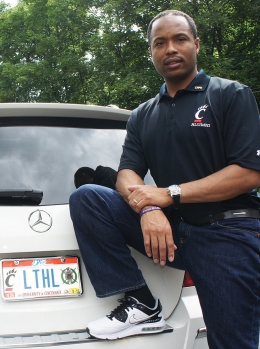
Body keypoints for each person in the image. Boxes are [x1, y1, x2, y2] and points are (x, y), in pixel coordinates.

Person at [69, 9, 260, 349]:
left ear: (196, 45)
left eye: (179, 39)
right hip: (174, 232)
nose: (170, 48)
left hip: (228, 235)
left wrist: (168, 195)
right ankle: (142, 302)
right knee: (88, 197)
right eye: (160, 43)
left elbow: (248, 173)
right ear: (151, 53)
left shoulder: (231, 95)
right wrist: (147, 209)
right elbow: (127, 174)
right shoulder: (143, 115)